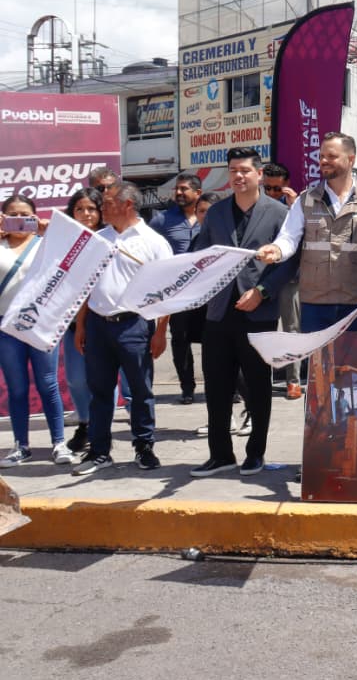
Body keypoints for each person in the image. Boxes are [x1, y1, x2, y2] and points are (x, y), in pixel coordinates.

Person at [188, 148, 295, 478]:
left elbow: (290, 263)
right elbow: (201, 254)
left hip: (258, 312)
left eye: (245, 170)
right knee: (218, 386)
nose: (238, 176)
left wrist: (262, 292)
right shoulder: (217, 212)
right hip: (219, 312)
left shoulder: (278, 214)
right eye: (233, 170)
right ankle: (220, 454)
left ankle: (255, 453)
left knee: (259, 387)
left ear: (259, 174)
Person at [71, 182, 172, 476]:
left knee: (140, 390)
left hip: (134, 325)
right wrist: (81, 326)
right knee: (99, 391)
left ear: (127, 204)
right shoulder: (97, 239)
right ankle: (99, 451)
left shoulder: (153, 242)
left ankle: (144, 447)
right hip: (98, 325)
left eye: (107, 202)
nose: (101, 208)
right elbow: (85, 287)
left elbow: (167, 291)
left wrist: (160, 331)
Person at [257, 132, 357, 335]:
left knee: (352, 366)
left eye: (331, 156)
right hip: (315, 305)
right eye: (321, 156)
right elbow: (289, 237)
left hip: (356, 304)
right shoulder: (306, 200)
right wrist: (276, 250)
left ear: (351, 159)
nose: (323, 161)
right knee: (317, 365)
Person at [0, 196, 71, 467]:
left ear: (35, 216)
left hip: (41, 325)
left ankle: (59, 443)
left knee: (48, 384)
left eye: (25, 215)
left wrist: (50, 232)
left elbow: (72, 263)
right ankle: (21, 446)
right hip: (7, 327)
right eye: (13, 214)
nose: (19, 220)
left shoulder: (46, 245)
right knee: (17, 389)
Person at [148, 172, 203, 405]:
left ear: (197, 193)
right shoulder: (162, 219)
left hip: (207, 291)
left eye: (184, 189)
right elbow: (149, 247)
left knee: (215, 340)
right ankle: (187, 388)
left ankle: (229, 388)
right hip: (177, 292)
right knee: (180, 339)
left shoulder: (210, 215)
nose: (179, 193)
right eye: (177, 189)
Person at [61, 188, 104, 455]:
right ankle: (86, 423)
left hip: (102, 321)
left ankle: (100, 430)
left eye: (91, 209)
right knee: (76, 380)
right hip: (72, 322)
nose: (86, 214)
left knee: (101, 381)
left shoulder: (109, 239)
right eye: (80, 209)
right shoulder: (65, 241)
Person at [262, 163, 303, 399]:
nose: (271, 194)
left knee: (291, 331)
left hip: (289, 278)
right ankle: (261, 379)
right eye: (267, 188)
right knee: (264, 331)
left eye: (277, 189)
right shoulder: (258, 205)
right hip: (264, 278)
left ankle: (293, 381)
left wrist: (294, 206)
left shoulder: (297, 206)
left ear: (286, 185)